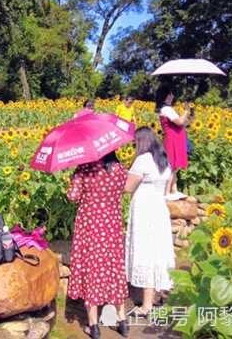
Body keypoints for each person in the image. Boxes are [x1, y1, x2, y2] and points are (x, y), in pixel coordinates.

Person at [66, 152, 129, 338]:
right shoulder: (119, 170)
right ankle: (122, 321)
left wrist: (73, 180)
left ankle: (93, 326)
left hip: (90, 227)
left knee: (91, 269)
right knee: (114, 269)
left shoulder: (84, 170)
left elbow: (73, 196)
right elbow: (121, 190)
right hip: (111, 227)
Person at [124, 127, 175, 318]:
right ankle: (158, 297)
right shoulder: (163, 160)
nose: (134, 145)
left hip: (144, 211)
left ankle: (146, 306)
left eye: (136, 141)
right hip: (159, 210)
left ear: (142, 141)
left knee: (145, 253)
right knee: (158, 252)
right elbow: (166, 188)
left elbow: (128, 188)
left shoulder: (142, 160)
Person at [155, 85, 190, 199]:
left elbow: (183, 123)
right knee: (170, 165)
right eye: (171, 94)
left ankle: (174, 189)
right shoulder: (166, 109)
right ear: (166, 96)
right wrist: (185, 111)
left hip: (175, 138)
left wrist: (189, 116)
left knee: (174, 165)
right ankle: (167, 192)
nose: (173, 96)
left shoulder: (167, 108)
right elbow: (179, 122)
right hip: (173, 139)